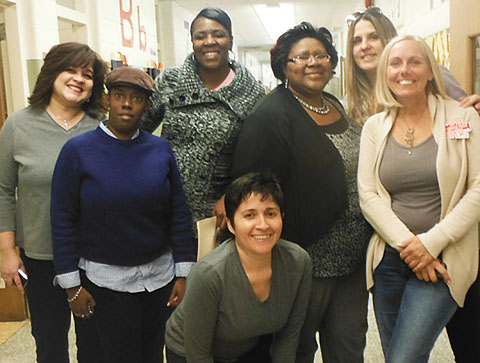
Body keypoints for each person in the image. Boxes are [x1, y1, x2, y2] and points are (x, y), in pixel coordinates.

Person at [231, 23, 373, 363]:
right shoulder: (270, 116)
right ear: (284, 65)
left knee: (349, 348)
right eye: (302, 57)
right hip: (302, 263)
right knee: (295, 351)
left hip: (352, 261)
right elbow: (252, 192)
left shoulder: (335, 105)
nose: (313, 62)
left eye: (321, 55)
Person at [345, 8, 480, 362]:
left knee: (404, 357)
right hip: (389, 259)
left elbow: (477, 188)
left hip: (445, 258)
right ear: (384, 74)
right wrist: (411, 247)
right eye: (396, 64)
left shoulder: (461, 117)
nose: (404, 71)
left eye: (414, 62)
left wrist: (430, 244)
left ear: (430, 70)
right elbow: (368, 194)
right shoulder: (375, 125)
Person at [50, 67, 195, 363]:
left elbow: (178, 213)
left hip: (158, 281)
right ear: (107, 100)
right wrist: (72, 287)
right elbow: (62, 219)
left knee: (151, 354)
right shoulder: (78, 151)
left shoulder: (160, 150)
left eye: (137, 98)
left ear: (146, 105)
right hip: (104, 284)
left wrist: (183, 273)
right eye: (119, 96)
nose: (127, 104)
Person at [0, 42, 105, 363]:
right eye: (70, 70)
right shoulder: (19, 125)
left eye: (87, 74)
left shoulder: (102, 126)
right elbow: (3, 190)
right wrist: (7, 252)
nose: (78, 79)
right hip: (41, 257)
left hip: (95, 257)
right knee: (49, 343)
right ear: (51, 73)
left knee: (95, 344)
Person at [165, 171, 312, 363]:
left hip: (246, 347)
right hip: (189, 353)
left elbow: (288, 338)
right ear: (231, 225)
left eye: (271, 214)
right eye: (250, 215)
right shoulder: (209, 274)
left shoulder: (298, 262)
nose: (263, 224)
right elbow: (198, 356)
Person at [141, 7, 265, 234]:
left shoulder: (251, 93)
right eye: (200, 36)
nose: (209, 41)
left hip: (218, 214)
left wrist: (231, 196)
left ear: (230, 40)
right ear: (192, 42)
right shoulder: (172, 81)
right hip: (162, 202)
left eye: (218, 34)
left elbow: (257, 159)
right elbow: (139, 128)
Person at [345, 6, 480, 125]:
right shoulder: (351, 100)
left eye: (373, 37)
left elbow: (466, 116)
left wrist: (476, 110)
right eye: (357, 41)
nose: (364, 46)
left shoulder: (430, 74)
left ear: (388, 39)